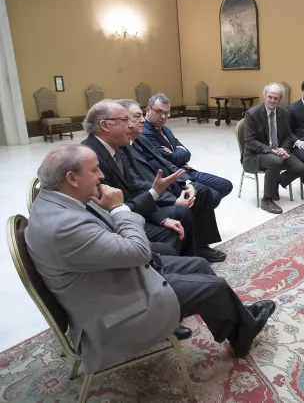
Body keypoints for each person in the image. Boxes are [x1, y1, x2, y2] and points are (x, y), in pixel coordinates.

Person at [25, 145, 276, 374]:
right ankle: (242, 332)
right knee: (215, 287)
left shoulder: (53, 201)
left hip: (108, 278)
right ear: (72, 178)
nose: (101, 175)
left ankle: (238, 327)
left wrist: (112, 226)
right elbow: (138, 251)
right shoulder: (64, 225)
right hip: (112, 311)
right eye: (94, 170)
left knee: (199, 264)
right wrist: (118, 208)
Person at [81, 100, 196, 258]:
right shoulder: (89, 157)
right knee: (171, 231)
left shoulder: (119, 148)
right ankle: (173, 269)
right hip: (113, 224)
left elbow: (135, 186)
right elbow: (107, 208)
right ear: (105, 125)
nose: (130, 125)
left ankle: (186, 264)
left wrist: (162, 219)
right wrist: (155, 193)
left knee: (178, 218)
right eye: (124, 120)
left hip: (130, 209)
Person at [118, 99, 226, 263]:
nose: (141, 120)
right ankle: (191, 249)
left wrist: (188, 182)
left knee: (201, 191)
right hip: (155, 193)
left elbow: (166, 162)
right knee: (192, 202)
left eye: (140, 116)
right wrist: (174, 201)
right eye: (137, 116)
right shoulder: (124, 147)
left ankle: (202, 246)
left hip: (166, 182)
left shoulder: (140, 139)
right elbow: (139, 185)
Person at [142, 93, 233, 206]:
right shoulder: (145, 133)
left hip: (186, 170)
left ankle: (201, 211)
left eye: (166, 113)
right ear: (148, 110)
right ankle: (198, 214)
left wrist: (176, 153)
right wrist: (177, 153)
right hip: (174, 176)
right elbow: (170, 158)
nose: (163, 117)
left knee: (226, 185)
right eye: (159, 112)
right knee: (212, 196)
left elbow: (186, 153)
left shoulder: (165, 129)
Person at [242, 83, 304, 214]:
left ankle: (275, 182)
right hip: (256, 154)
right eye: (270, 97)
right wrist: (270, 150)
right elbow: (249, 141)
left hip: (278, 151)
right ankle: (267, 199)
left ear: (280, 99)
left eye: (276, 98)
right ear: (264, 96)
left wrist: (284, 149)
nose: (272, 100)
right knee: (276, 161)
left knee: (300, 168)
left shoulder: (284, 112)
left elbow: (288, 135)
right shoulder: (252, 113)